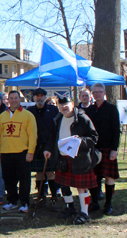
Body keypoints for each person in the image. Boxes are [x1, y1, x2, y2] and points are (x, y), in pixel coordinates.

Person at [44, 96, 98, 225]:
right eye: (61, 105)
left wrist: (80, 141)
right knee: (64, 186)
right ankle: (70, 208)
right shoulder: (58, 119)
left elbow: (93, 138)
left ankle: (85, 213)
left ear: (72, 104)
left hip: (79, 158)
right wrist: (48, 149)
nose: (63, 107)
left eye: (66, 104)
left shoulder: (82, 119)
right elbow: (52, 137)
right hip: (62, 158)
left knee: (82, 187)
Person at [0, 90, 37, 213]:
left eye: (16, 98)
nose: (13, 100)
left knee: (24, 179)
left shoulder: (28, 115)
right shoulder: (2, 116)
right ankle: (12, 201)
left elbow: (32, 135)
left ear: (20, 99)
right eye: (11, 98)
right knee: (8, 179)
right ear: (7, 100)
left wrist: (31, 151)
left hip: (22, 152)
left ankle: (24, 203)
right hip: (6, 153)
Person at [86, 83, 120, 215]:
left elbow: (116, 130)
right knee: (93, 177)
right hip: (93, 149)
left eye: (99, 92)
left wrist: (114, 149)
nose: (97, 95)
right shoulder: (89, 110)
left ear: (104, 93)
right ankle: (95, 202)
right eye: (94, 92)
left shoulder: (111, 109)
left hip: (108, 148)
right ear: (92, 94)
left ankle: (108, 204)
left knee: (109, 176)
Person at [27, 88, 60, 211]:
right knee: (39, 173)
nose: (39, 98)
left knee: (50, 173)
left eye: (42, 96)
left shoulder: (53, 110)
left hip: (50, 146)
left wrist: (50, 147)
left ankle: (54, 198)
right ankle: (41, 197)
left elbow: (56, 129)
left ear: (45, 97)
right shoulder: (29, 111)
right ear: (34, 98)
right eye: (37, 96)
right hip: (36, 147)